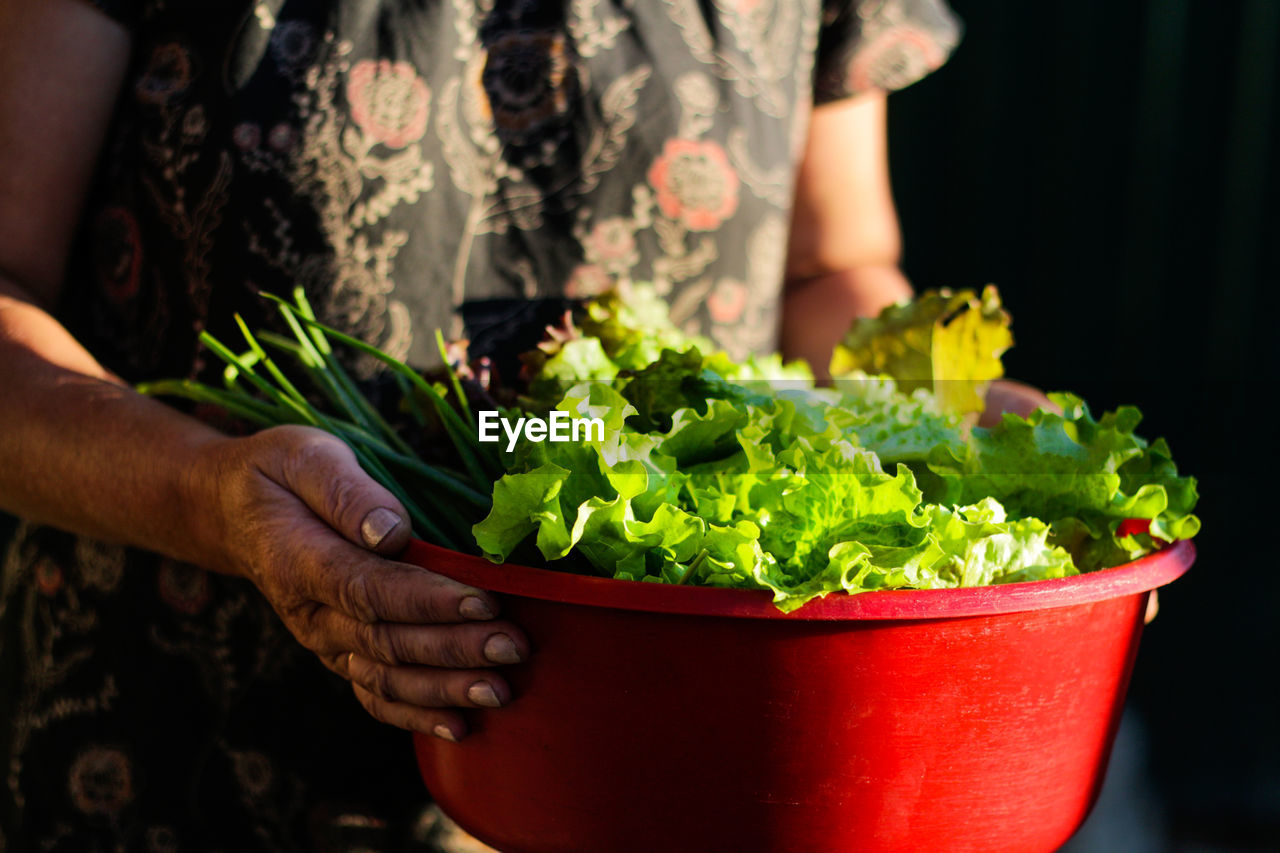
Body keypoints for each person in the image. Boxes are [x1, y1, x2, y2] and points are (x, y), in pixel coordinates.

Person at [0, 1, 964, 849]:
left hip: (670, 762)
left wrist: (965, 420)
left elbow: (829, 269)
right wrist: (212, 496)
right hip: (192, 743)